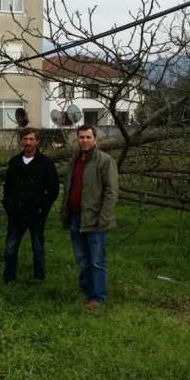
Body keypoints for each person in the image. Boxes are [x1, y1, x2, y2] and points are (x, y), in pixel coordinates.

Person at [61, 125, 118, 307]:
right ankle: (87, 289)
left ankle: (98, 297)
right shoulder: (75, 161)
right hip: (76, 217)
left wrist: (104, 218)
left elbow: (111, 192)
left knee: (97, 260)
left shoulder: (104, 161)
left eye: (88, 137)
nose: (84, 141)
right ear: (77, 139)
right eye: (81, 137)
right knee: (82, 258)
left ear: (95, 140)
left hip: (95, 219)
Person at [3, 127, 60, 283]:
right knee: (10, 248)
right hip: (16, 213)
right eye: (25, 139)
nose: (28, 142)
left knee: (38, 248)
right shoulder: (14, 162)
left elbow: (54, 189)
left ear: (37, 141)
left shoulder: (46, 163)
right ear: (21, 141)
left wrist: (43, 208)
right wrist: (8, 207)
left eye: (31, 139)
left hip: (36, 213)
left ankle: (39, 277)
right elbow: (7, 188)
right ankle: (9, 277)